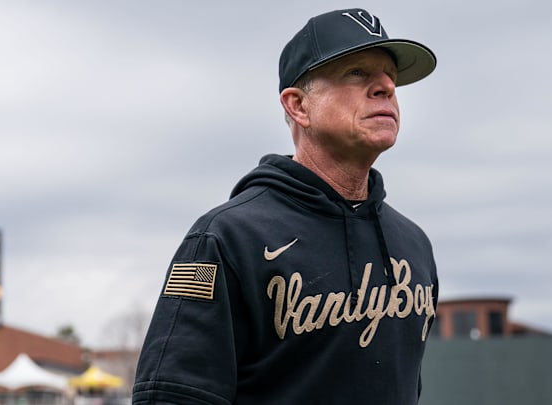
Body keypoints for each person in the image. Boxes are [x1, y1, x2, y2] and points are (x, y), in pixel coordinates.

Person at [133, 8, 439, 405]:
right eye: (357, 73)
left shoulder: (414, 245)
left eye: (390, 78)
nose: (386, 87)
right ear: (298, 106)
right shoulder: (226, 239)